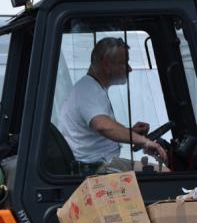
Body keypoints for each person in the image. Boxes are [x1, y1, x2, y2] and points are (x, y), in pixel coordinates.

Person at [58, 37, 166, 173]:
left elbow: (100, 129)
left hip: (101, 165)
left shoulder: (91, 88)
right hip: (95, 169)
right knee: (163, 172)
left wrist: (130, 132)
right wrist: (144, 141)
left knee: (159, 171)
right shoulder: (88, 90)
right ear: (106, 64)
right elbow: (103, 126)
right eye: (124, 63)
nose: (130, 69)